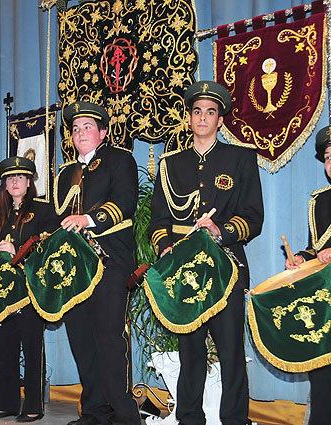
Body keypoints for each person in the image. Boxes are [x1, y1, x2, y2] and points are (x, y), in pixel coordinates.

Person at [149, 81, 263, 425]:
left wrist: (223, 230)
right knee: (190, 352)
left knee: (230, 352)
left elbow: (253, 216)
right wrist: (165, 247)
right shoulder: (170, 164)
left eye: (210, 112)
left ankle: (235, 420)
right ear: (188, 119)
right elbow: (158, 219)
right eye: (197, 111)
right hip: (185, 271)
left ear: (220, 120)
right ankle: (189, 419)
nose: (203, 117)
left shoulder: (240, 159)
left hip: (224, 269)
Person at [54, 101, 140, 425]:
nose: (80, 133)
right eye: (75, 129)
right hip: (74, 269)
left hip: (110, 262)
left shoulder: (120, 160)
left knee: (109, 340)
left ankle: (124, 415)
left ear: (102, 132)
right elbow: (57, 219)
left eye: (87, 127)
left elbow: (125, 202)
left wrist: (88, 219)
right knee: (82, 341)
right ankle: (94, 413)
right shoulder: (66, 175)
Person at [0, 156, 55, 423]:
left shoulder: (43, 208)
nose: (14, 182)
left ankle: (34, 406)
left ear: (29, 181)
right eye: (9, 178)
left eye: (20, 177)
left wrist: (19, 250)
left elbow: (49, 244)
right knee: (4, 347)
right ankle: (6, 403)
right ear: (5, 184)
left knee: (32, 348)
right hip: (4, 290)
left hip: (30, 288)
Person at [284, 126, 331, 425]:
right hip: (325, 300)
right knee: (323, 373)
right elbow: (317, 248)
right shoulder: (321, 201)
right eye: (328, 157)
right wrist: (301, 257)